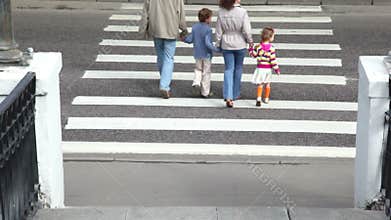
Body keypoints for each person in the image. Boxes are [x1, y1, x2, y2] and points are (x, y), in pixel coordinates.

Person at [139, 0, 188, 99]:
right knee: (169, 58)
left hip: (156, 28)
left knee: (160, 56)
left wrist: (142, 29)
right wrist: (184, 28)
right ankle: (164, 85)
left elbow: (145, 13)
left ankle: (164, 78)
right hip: (171, 28)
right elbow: (181, 12)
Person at [216, 0, 253, 108]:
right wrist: (250, 41)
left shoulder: (221, 12)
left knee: (228, 69)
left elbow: (218, 31)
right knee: (238, 68)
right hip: (240, 43)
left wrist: (218, 43)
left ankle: (228, 95)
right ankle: (235, 93)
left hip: (226, 43)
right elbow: (246, 30)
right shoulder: (242, 12)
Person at [182, 8, 220, 98]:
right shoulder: (208, 29)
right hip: (206, 54)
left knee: (198, 69)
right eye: (210, 18)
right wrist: (217, 49)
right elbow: (208, 43)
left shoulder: (195, 27)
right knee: (206, 72)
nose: (211, 19)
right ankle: (205, 92)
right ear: (207, 19)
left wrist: (184, 39)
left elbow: (190, 39)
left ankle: (196, 81)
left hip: (197, 53)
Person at [249, 27, 281, 107]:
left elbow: (253, 55)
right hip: (268, 69)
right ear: (270, 37)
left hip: (260, 68)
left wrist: (250, 49)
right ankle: (266, 98)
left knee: (260, 84)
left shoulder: (258, 47)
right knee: (267, 84)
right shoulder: (271, 48)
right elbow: (273, 60)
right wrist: (276, 69)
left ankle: (258, 98)